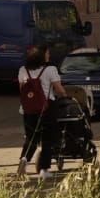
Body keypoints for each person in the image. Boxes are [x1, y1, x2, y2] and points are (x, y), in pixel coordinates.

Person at [15, 44, 66, 175]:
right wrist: (65, 96)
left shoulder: (22, 70)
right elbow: (58, 89)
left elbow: (22, 89)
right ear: (42, 56)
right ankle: (44, 169)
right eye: (47, 53)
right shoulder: (50, 70)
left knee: (31, 137)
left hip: (28, 108)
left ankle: (24, 159)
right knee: (47, 138)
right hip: (47, 107)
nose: (49, 55)